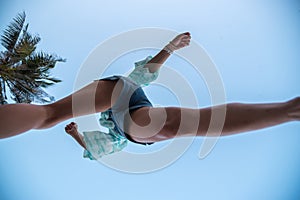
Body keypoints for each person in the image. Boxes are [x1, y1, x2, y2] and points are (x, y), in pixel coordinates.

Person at [1, 32, 299, 159]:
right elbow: (143, 75)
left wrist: (75, 134)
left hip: (126, 111)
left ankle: (288, 110)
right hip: (125, 93)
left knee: (167, 125)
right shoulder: (133, 111)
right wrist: (169, 48)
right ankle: (288, 110)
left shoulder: (118, 141)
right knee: (49, 114)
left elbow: (95, 149)